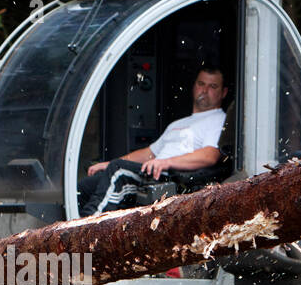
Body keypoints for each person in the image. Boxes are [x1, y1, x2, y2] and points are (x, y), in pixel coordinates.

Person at [77, 66, 229, 216]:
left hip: (171, 178)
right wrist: (109, 163)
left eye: (212, 86)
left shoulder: (219, 120)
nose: (204, 90)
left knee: (118, 171)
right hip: (151, 171)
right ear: (194, 86)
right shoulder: (177, 124)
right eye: (201, 84)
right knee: (85, 186)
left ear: (223, 92)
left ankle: (85, 229)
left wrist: (166, 162)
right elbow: (149, 153)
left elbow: (210, 155)